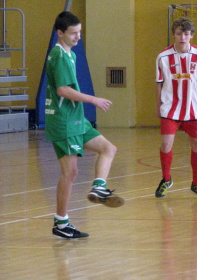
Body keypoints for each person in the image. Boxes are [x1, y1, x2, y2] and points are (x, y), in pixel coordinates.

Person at [46, 11, 124, 239]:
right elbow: (63, 90)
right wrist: (93, 99)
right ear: (60, 33)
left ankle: (99, 187)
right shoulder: (59, 55)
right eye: (73, 33)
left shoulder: (70, 54)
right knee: (69, 173)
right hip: (64, 122)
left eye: (80, 32)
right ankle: (61, 224)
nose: (78, 37)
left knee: (108, 149)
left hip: (75, 120)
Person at [154, 17, 197, 199]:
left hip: (194, 108)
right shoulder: (163, 57)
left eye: (186, 34)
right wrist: (158, 106)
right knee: (166, 144)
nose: (183, 37)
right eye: (179, 33)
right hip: (170, 108)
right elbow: (159, 84)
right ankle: (166, 179)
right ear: (173, 34)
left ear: (192, 36)